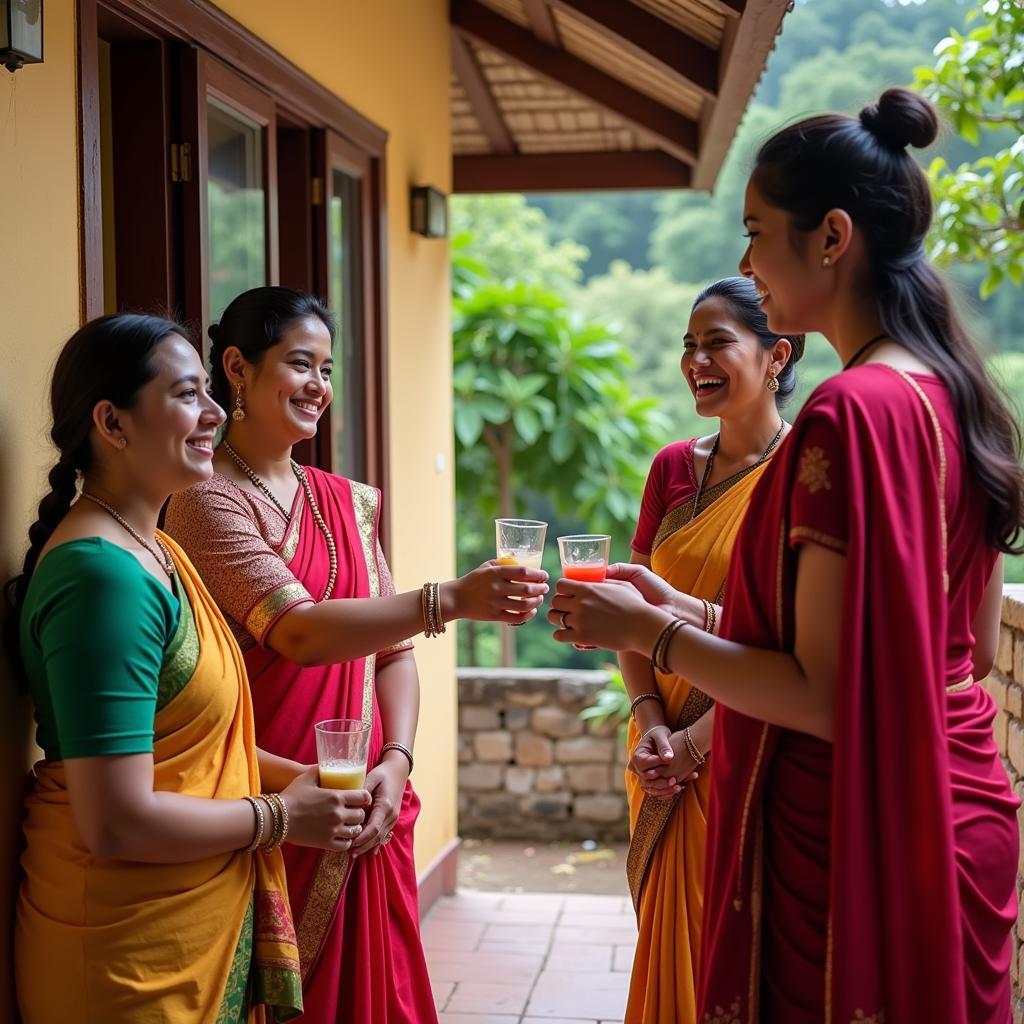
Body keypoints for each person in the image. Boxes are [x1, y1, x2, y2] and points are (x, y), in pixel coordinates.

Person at [548, 87, 1023, 1024]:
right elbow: (944, 653)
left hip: (854, 827)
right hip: (960, 794)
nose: (745, 261)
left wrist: (651, 629)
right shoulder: (954, 391)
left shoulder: (850, 413)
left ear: (833, 237)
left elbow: (823, 693)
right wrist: (676, 609)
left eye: (757, 230)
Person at [164, 286, 548, 1024]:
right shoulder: (206, 502)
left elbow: (393, 653)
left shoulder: (344, 500)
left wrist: (396, 761)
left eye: (329, 368)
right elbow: (300, 633)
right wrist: (452, 600)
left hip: (364, 797)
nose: (319, 386)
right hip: (272, 794)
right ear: (237, 368)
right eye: (300, 363)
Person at [9, 314, 367, 1024]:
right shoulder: (100, 577)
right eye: (185, 395)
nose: (212, 413)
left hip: (185, 920)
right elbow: (115, 821)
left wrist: (288, 776)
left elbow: (197, 738)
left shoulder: (155, 550)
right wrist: (279, 816)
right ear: (112, 422)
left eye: (209, 391)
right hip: (129, 955)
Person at [619, 277, 801, 1024]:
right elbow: (631, 604)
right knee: (667, 941)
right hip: (656, 740)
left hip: (745, 741)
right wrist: (651, 718)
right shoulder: (671, 470)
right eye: (690, 345)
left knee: (728, 944)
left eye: (718, 341)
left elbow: (795, 645)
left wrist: (697, 741)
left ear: (775, 355)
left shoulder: (802, 479)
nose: (697, 359)